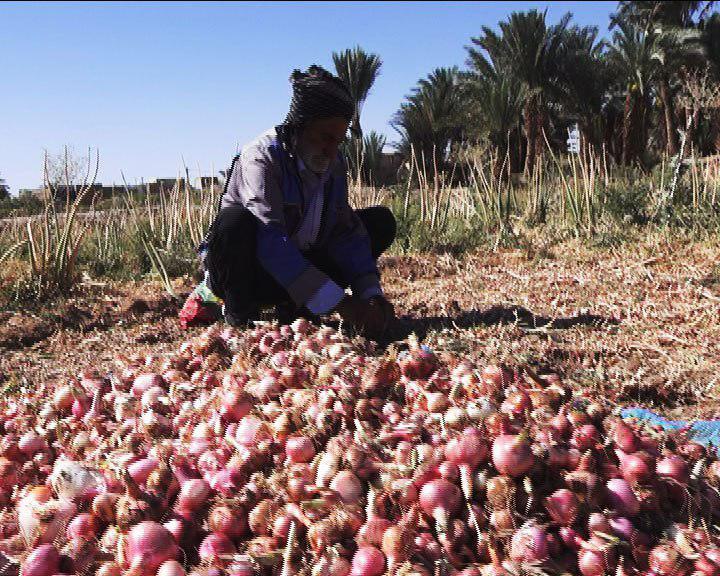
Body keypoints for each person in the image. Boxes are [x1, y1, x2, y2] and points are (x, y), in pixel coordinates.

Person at [200, 65, 397, 339]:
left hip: (298, 264)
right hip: (252, 272)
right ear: (301, 126)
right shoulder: (260, 158)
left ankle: (298, 304)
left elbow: (344, 232)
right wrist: (342, 304)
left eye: (338, 141)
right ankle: (240, 314)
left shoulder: (334, 163)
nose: (331, 150)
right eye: (325, 137)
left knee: (377, 222)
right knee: (236, 222)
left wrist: (370, 294)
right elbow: (270, 240)